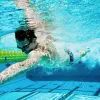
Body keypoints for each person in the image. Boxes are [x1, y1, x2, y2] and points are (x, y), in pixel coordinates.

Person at [0, 0, 90, 84]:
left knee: (82, 53)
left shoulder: (38, 53)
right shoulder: (37, 37)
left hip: (71, 58)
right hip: (61, 51)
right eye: (20, 48)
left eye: (25, 47)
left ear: (34, 40)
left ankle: (86, 50)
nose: (23, 50)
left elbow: (22, 66)